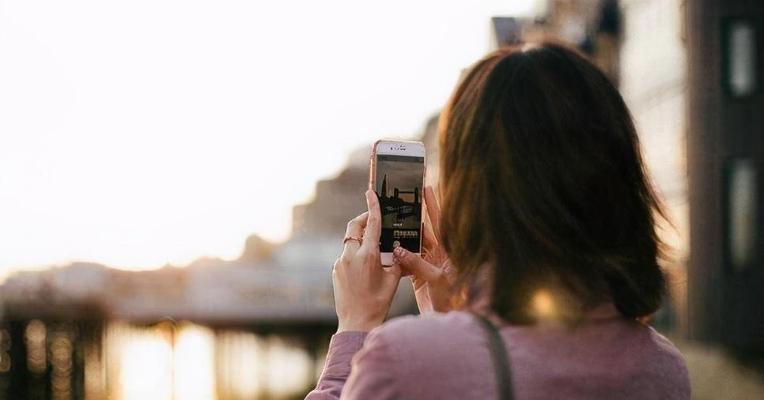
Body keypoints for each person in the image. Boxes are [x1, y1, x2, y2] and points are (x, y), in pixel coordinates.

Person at [306, 42, 690, 400]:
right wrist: (457, 320)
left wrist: (357, 324)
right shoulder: (664, 369)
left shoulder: (402, 362)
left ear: (471, 185)